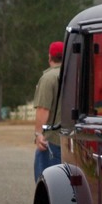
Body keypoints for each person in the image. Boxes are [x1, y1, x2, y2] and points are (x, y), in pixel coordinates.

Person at [33, 41, 64, 181]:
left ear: (50, 57)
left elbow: (43, 109)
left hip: (52, 140)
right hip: (70, 141)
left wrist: (38, 134)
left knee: (46, 185)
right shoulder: (76, 76)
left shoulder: (48, 78)